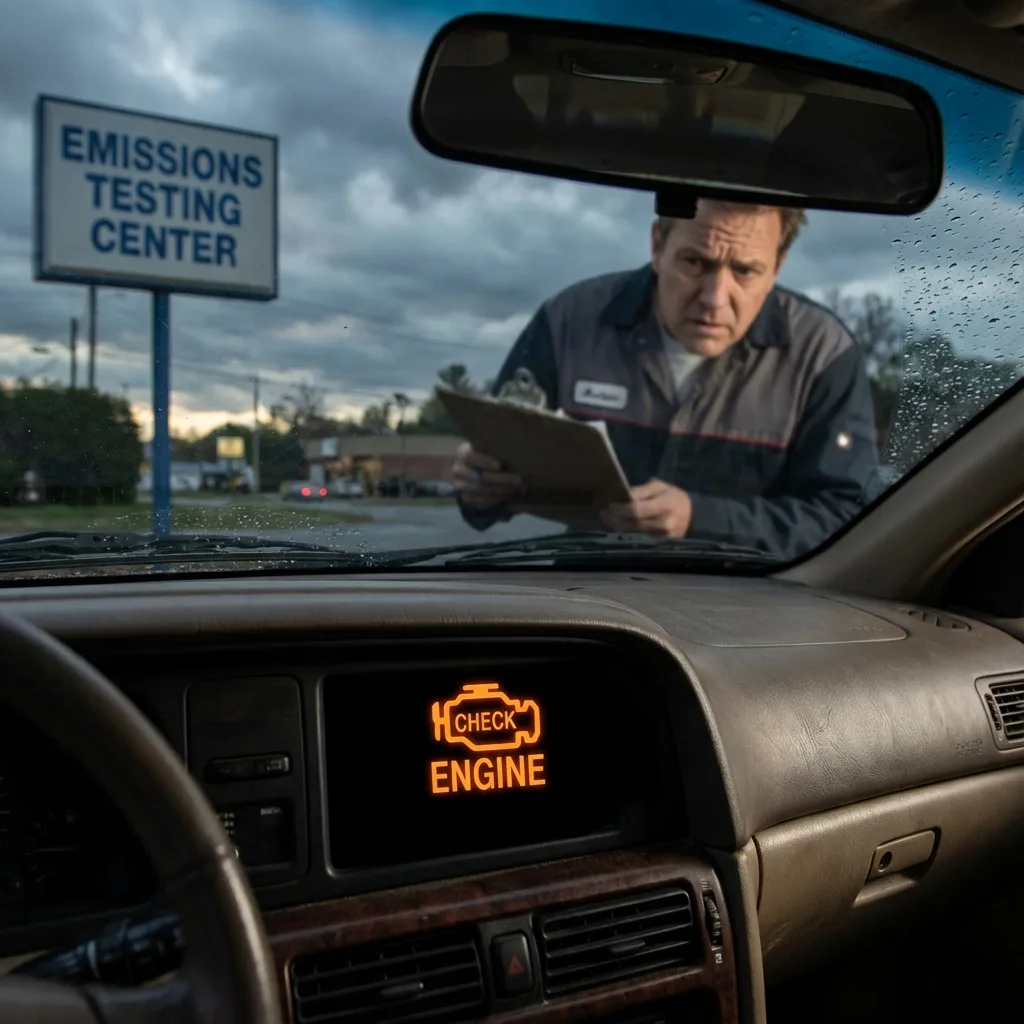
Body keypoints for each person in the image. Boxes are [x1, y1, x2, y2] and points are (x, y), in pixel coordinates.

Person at [453, 200, 879, 560]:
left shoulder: (823, 355)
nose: (714, 298)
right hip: (589, 597)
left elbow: (846, 520)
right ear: (658, 245)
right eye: (696, 262)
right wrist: (478, 485)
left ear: (777, 267)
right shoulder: (567, 322)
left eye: (745, 271)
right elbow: (490, 482)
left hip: (752, 612)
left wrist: (699, 518)